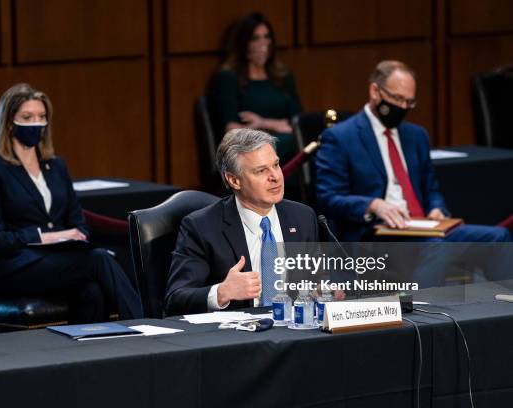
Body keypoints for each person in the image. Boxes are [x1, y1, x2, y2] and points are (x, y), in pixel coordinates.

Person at [315, 60, 511, 286]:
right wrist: (372, 205)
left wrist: (437, 208)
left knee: (498, 238)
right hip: (376, 232)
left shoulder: (416, 136)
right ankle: (420, 311)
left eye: (409, 102)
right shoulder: (341, 137)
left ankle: (505, 309)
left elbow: (431, 188)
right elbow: (328, 198)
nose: (403, 107)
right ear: (375, 91)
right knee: (438, 246)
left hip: (423, 226)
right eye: (397, 99)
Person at [0, 83, 142, 322]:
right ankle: (144, 324)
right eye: (27, 117)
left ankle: (94, 355)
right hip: (15, 267)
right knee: (99, 259)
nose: (36, 124)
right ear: (10, 122)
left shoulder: (56, 166)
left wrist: (73, 237)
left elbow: (78, 223)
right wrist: (44, 237)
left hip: (57, 263)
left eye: (41, 117)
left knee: (91, 292)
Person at [165, 128, 324, 316]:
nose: (276, 177)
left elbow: (317, 280)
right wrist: (222, 293)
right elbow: (175, 299)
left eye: (276, 165)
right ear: (234, 180)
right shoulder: (201, 227)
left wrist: (323, 291)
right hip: (237, 337)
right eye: (261, 170)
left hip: (295, 331)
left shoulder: (302, 217)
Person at [212, 12, 302, 164]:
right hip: (251, 150)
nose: (263, 44)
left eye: (267, 37)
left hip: (288, 146)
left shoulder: (282, 76)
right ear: (244, 44)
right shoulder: (229, 78)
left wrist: (263, 123)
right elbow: (231, 130)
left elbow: (297, 122)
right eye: (255, 38)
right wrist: (279, 125)